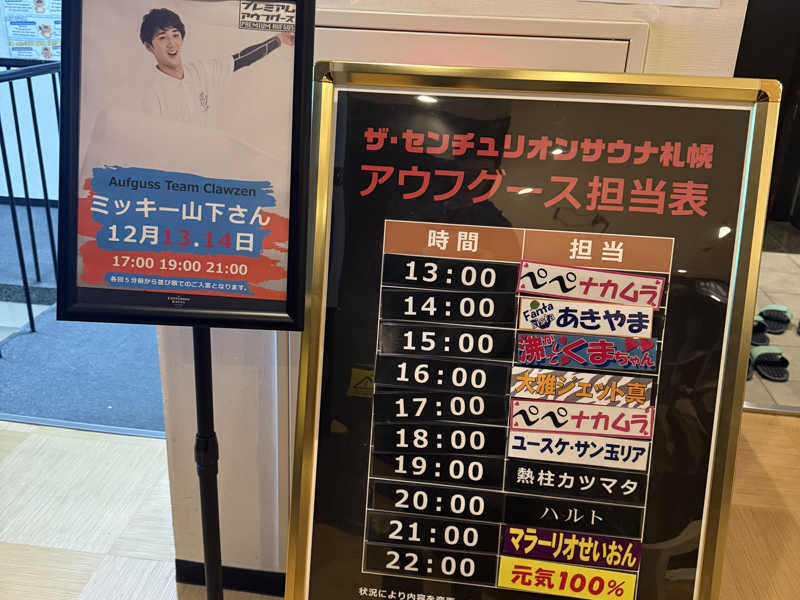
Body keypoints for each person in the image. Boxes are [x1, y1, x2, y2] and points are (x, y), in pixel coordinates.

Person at [139, 8, 293, 126]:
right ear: (149, 47)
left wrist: (278, 39)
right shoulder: (152, 94)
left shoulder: (200, 71)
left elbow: (243, 59)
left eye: (175, 35)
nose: (171, 43)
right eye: (162, 38)